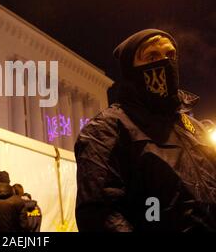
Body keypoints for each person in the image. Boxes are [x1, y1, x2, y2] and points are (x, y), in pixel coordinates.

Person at [75, 29, 216, 231]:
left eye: (170, 55)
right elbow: (100, 215)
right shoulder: (107, 128)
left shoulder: (195, 128)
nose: (165, 63)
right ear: (130, 70)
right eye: (152, 56)